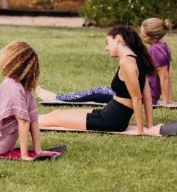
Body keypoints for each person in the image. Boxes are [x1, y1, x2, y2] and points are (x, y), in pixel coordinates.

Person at [36, 25, 164, 136]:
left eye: (107, 42)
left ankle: (22, 121)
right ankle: (23, 119)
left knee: (56, 118)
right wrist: (150, 125)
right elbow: (146, 95)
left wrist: (141, 130)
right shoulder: (138, 59)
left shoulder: (126, 61)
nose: (106, 48)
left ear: (118, 39)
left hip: (111, 120)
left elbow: (138, 98)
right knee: (57, 113)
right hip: (108, 114)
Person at [36, 17, 174, 105]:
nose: (141, 37)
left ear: (151, 36)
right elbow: (168, 73)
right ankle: (59, 96)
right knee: (98, 89)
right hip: (142, 93)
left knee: (95, 92)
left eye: (143, 35)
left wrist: (167, 101)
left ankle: (56, 97)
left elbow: (165, 77)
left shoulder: (156, 50)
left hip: (141, 96)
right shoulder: (163, 46)